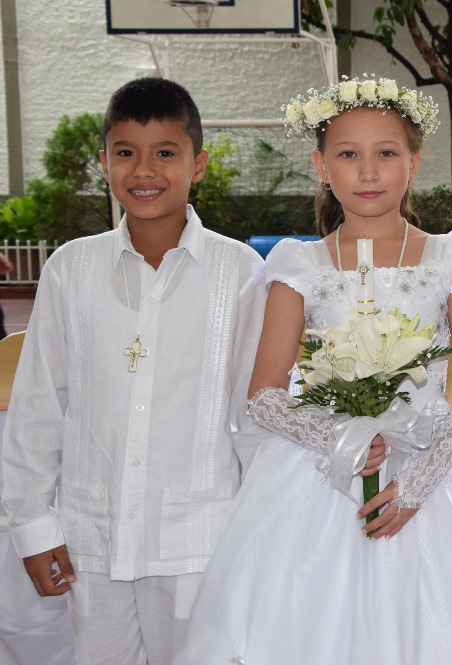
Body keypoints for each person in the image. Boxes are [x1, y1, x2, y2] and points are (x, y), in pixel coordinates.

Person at [175, 77, 452, 665]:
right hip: (322, 477)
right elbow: (264, 395)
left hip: (433, 476)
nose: (369, 171)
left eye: (386, 153)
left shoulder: (449, 257)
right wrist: (340, 435)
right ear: (321, 165)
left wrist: (420, 484)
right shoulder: (298, 264)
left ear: (414, 161)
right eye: (349, 155)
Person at [0, 78, 267, 665]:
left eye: (165, 152)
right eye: (126, 152)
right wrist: (33, 526)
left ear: (198, 164)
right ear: (104, 163)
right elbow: (39, 406)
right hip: (92, 540)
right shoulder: (70, 270)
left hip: (201, 540)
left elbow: (255, 417)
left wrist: (260, 535)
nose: (144, 170)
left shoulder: (240, 273)